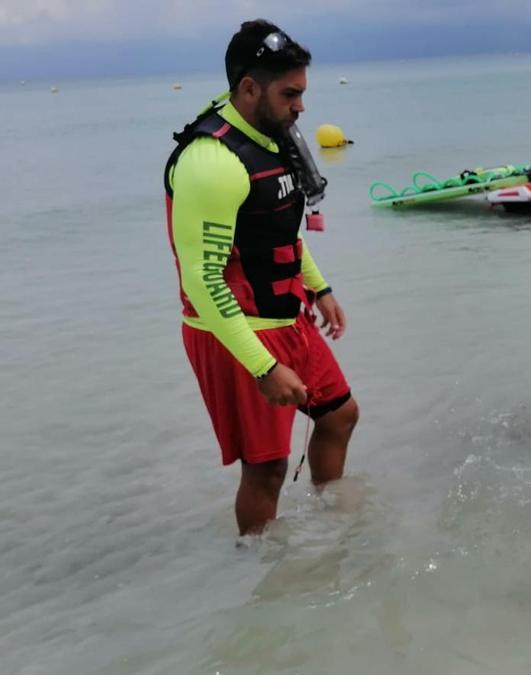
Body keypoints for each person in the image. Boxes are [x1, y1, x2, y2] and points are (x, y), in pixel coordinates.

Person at [164, 20, 359, 535]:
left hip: (286, 315)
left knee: (339, 416)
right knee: (266, 467)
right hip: (234, 331)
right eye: (290, 93)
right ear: (249, 88)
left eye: (302, 92)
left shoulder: (271, 136)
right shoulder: (211, 163)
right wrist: (261, 366)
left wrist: (320, 287)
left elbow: (280, 227)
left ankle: (333, 527)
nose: (301, 107)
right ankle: (264, 577)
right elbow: (204, 281)